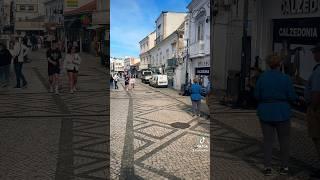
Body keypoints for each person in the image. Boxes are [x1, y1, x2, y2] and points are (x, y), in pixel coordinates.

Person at [254, 54, 298, 176]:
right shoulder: (286, 78)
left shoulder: (262, 78)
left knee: (268, 141)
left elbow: (256, 95)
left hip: (265, 112)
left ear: (268, 64)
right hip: (282, 112)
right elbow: (292, 96)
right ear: (280, 64)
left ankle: (267, 167)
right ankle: (284, 167)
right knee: (284, 141)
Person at [304, 43, 320, 179]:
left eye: (315, 52)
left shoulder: (319, 71)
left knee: (317, 138)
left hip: (317, 109)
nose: (314, 55)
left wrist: (313, 108)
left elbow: (316, 93)